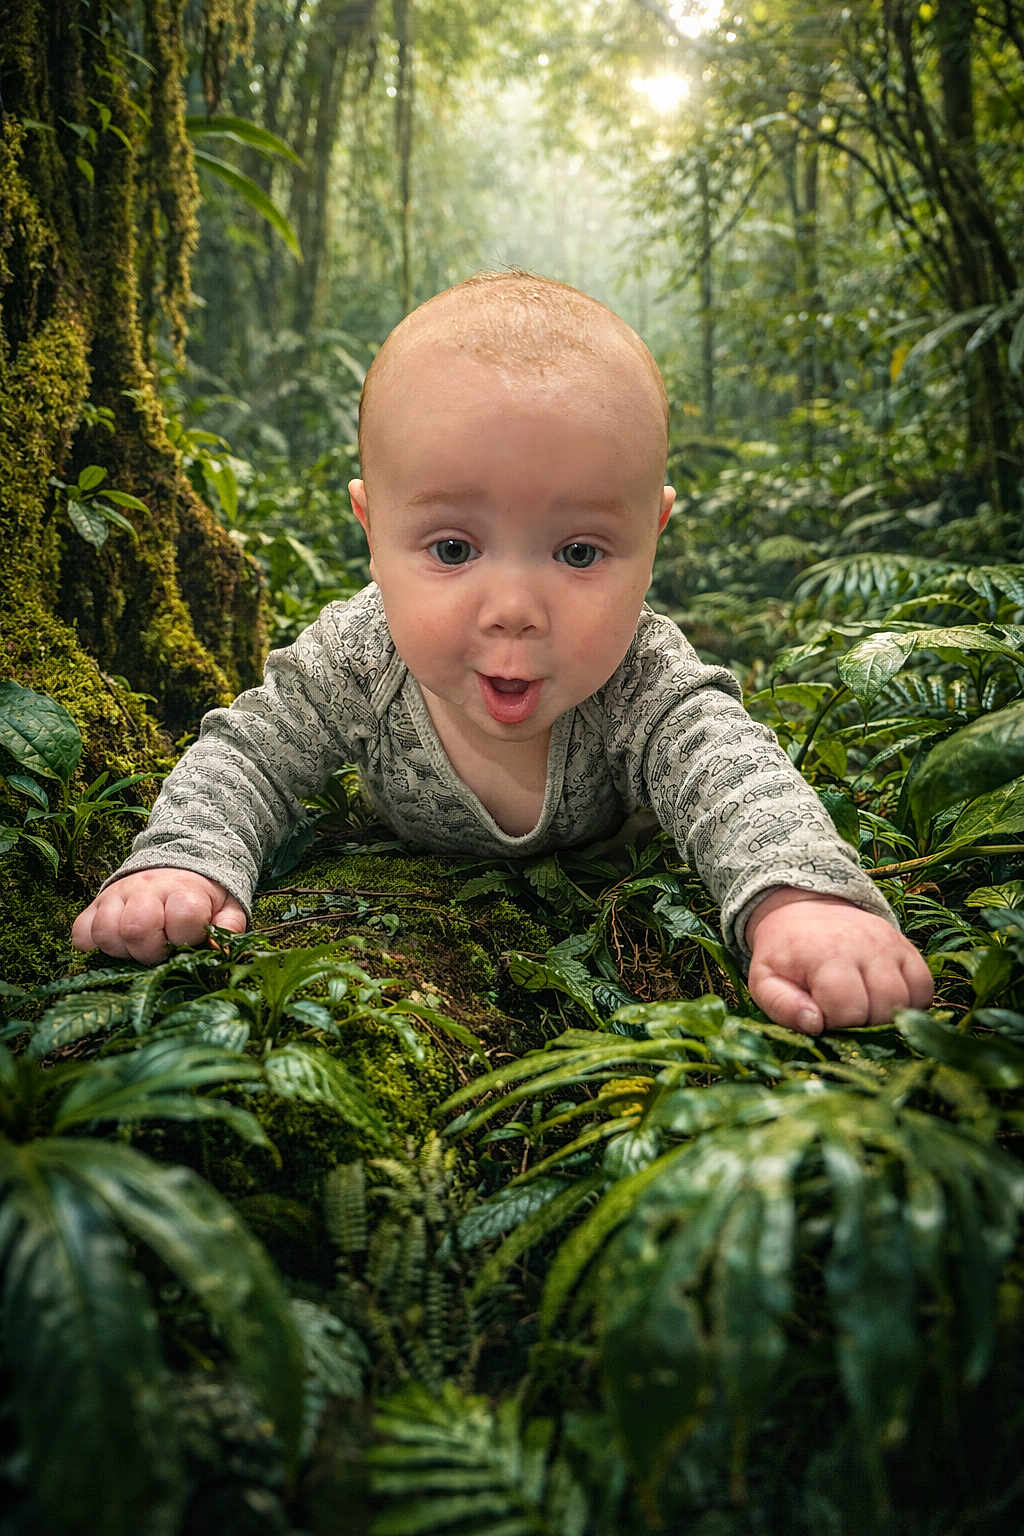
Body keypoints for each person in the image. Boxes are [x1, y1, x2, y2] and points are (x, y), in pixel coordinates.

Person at [72, 270, 933, 1036]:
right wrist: (187, 859)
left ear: (652, 538)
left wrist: (802, 901)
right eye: (452, 550)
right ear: (372, 532)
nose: (515, 611)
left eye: (580, 553)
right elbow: (250, 754)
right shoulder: (359, 656)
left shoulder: (639, 673)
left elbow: (733, 773)